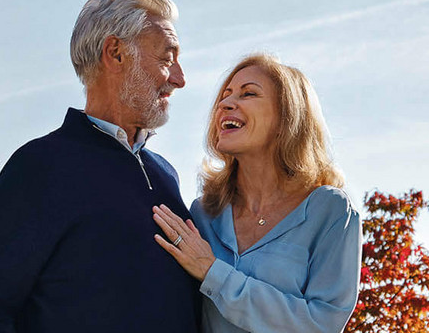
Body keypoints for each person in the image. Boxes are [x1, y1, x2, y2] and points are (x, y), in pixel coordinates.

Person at [0, 0, 202, 333]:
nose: (179, 78)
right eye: (166, 58)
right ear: (115, 53)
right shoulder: (39, 167)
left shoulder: (166, 174)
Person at [152, 54, 361, 332]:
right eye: (225, 96)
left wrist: (214, 273)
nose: (225, 103)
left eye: (248, 93)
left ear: (287, 116)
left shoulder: (331, 211)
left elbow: (322, 324)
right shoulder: (202, 214)